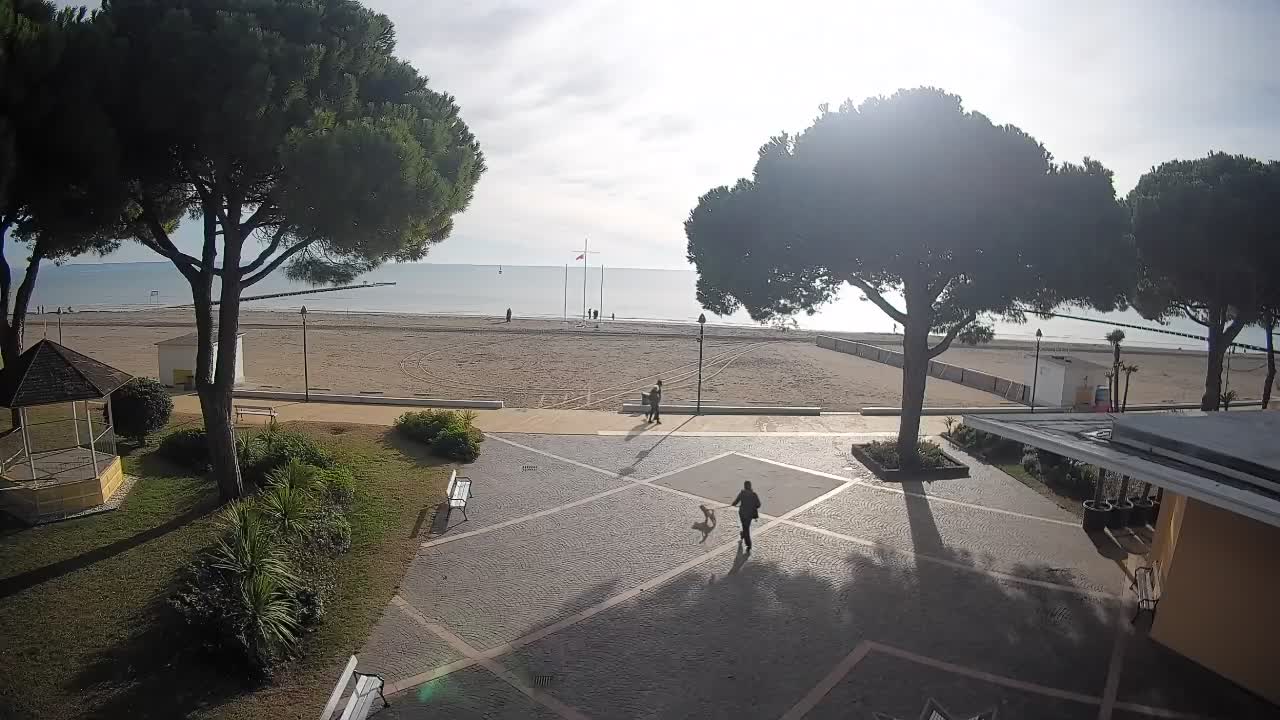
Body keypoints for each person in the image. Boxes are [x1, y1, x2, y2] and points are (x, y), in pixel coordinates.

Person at [731, 480, 761, 551]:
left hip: (742, 513)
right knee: (746, 527)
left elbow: (735, 502)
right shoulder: (754, 495)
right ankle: (748, 544)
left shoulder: (742, 493)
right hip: (749, 514)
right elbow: (758, 505)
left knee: (745, 527)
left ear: (744, 486)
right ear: (750, 486)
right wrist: (753, 506)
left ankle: (743, 534)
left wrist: (733, 504)